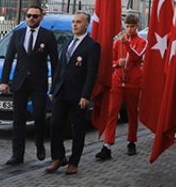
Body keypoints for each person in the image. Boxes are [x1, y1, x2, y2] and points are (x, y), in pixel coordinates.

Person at [0, 5, 59, 165]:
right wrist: (4, 81)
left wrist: (54, 88)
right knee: (18, 120)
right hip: (20, 82)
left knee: (39, 115)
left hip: (39, 83)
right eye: (29, 15)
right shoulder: (18, 34)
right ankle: (17, 154)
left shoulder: (48, 36)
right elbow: (9, 58)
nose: (31, 18)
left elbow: (55, 62)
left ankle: (39, 144)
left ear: (41, 18)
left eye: (35, 16)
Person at [46, 11, 100, 176]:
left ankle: (74, 162)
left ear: (86, 25)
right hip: (61, 92)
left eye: (78, 22)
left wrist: (86, 95)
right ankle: (58, 157)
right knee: (55, 124)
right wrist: (53, 89)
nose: (75, 25)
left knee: (77, 129)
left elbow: (92, 73)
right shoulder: (68, 42)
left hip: (78, 95)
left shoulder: (92, 46)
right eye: (73, 22)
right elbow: (60, 68)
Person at [95, 14, 147, 161]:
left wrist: (128, 45)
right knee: (112, 112)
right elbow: (110, 62)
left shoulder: (142, 42)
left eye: (132, 26)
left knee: (132, 113)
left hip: (133, 82)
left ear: (137, 26)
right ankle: (107, 145)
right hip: (117, 81)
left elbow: (138, 56)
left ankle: (131, 141)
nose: (129, 29)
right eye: (127, 26)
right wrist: (118, 63)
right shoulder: (117, 43)